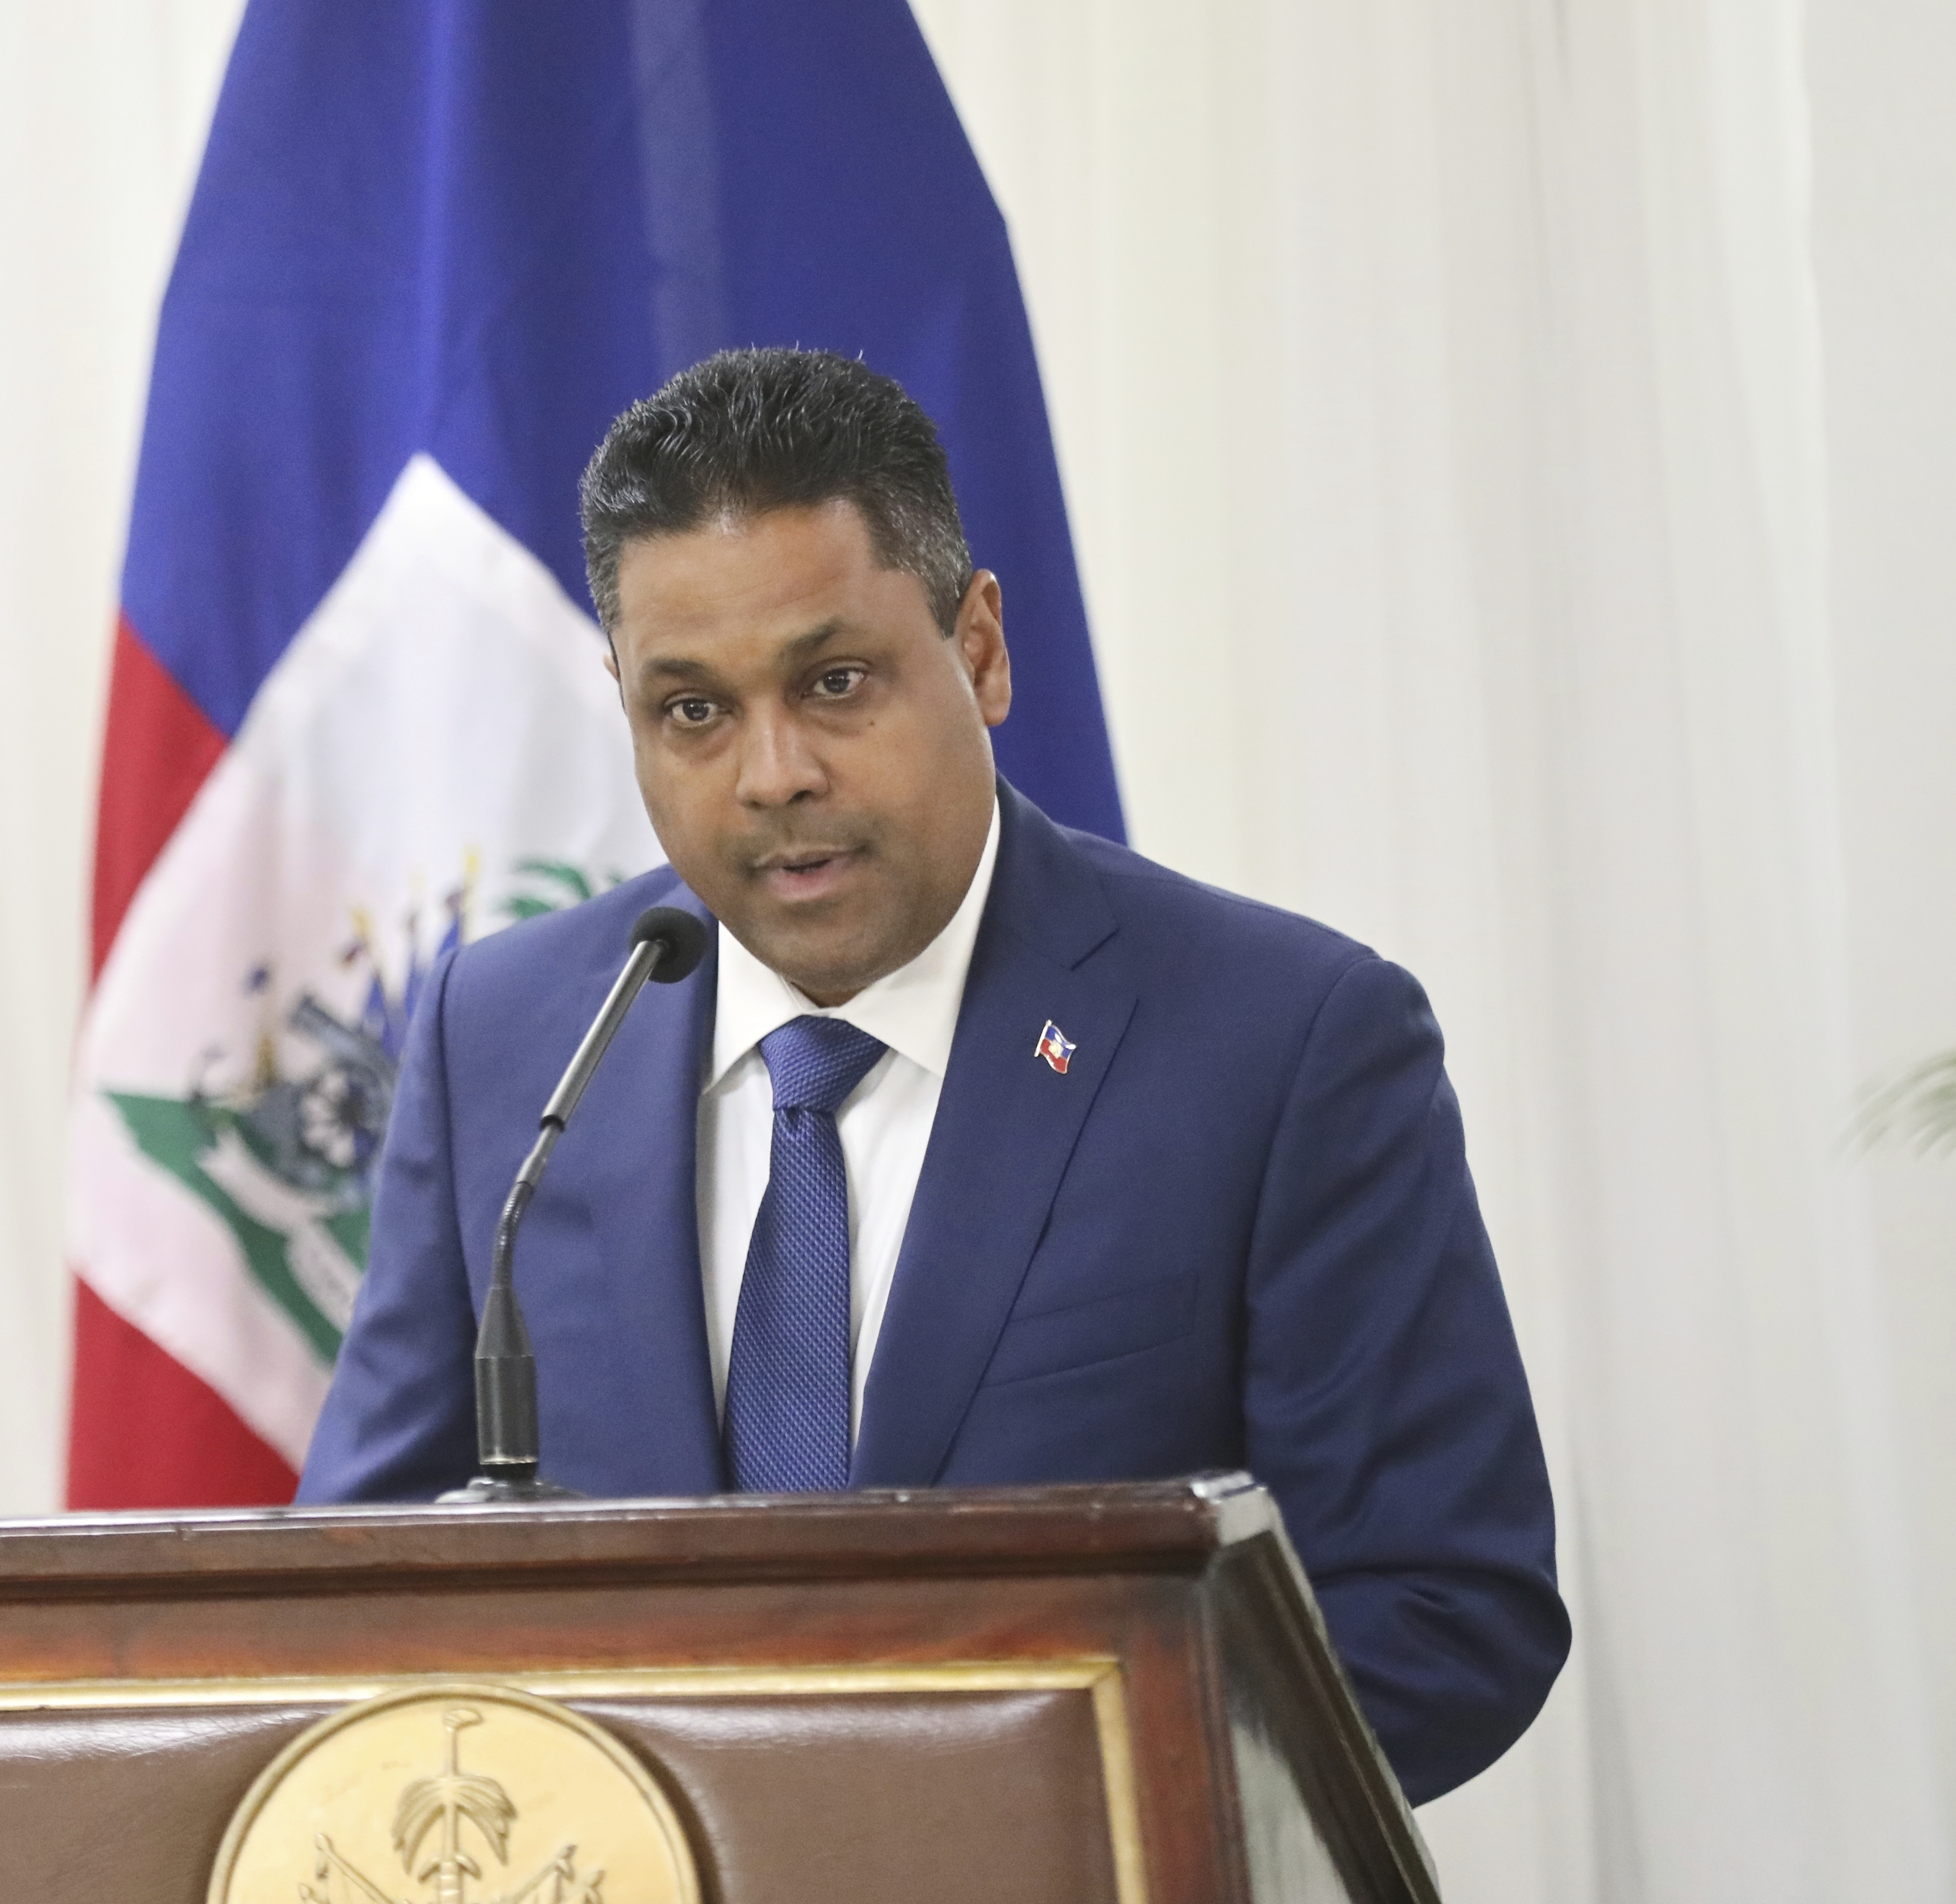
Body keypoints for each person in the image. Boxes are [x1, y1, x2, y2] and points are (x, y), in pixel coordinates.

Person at [298, 347, 1568, 1803]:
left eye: (832, 681)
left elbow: (1441, 1606)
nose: (769, 772)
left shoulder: (1283, 1042)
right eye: (691, 710)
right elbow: (357, 1578)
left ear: (976, 650)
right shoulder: (508, 1033)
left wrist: (1003, 1813)